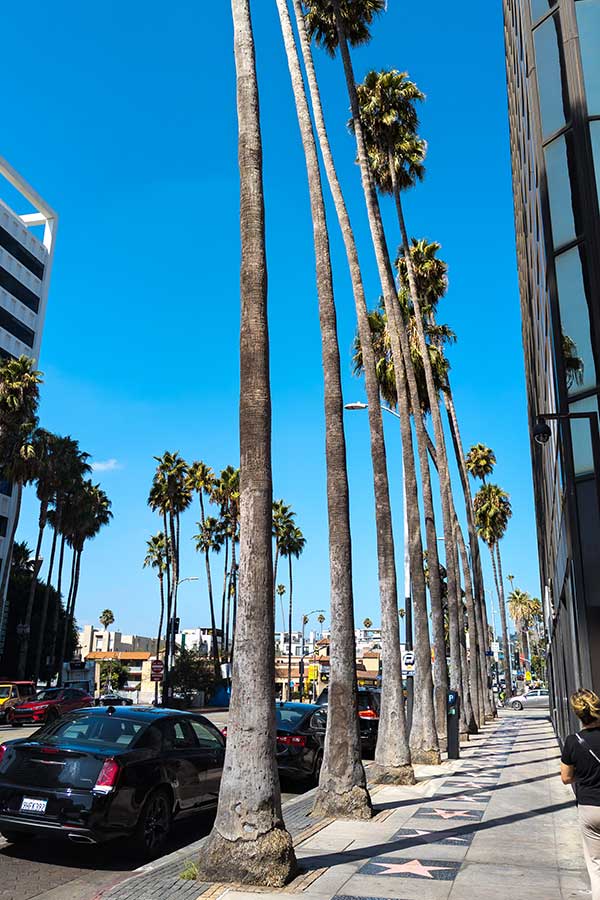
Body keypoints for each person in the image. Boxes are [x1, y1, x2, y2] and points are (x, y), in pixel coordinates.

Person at [561, 688, 600, 899]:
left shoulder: (573, 741)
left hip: (589, 808)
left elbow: (566, 777)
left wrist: (585, 774)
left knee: (596, 866)